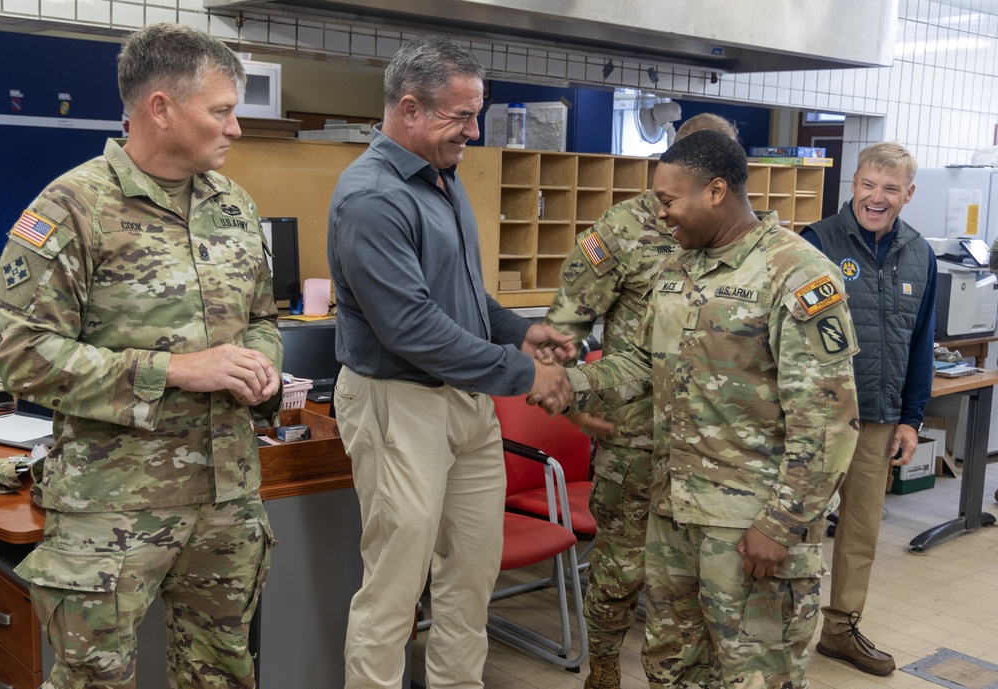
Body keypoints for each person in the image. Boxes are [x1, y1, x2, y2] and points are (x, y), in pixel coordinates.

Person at [0, 23, 283, 688]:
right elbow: (15, 353)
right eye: (222, 111)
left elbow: (264, 317)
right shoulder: (72, 207)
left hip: (226, 499)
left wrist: (261, 360)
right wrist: (173, 370)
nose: (236, 128)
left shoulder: (235, 207)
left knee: (222, 674)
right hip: (112, 508)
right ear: (162, 108)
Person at [541, 129, 860, 688]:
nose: (660, 215)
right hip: (673, 514)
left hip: (748, 526)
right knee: (672, 670)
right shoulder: (678, 270)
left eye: (668, 201)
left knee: (756, 675)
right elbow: (639, 366)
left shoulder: (796, 273)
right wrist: (564, 383)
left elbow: (828, 421)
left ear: (716, 191)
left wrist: (781, 525)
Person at [327, 35, 575, 689]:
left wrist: (521, 332)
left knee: (471, 578)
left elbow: (459, 296)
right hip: (398, 403)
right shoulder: (372, 198)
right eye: (461, 116)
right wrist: (526, 376)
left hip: (466, 401)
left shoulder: (442, 177)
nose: (474, 129)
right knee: (394, 590)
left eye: (476, 112)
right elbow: (411, 326)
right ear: (409, 109)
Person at [544, 113, 739, 689]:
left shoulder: (746, 244)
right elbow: (566, 324)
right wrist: (571, 404)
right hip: (634, 433)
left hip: (713, 441)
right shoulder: (624, 228)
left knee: (706, 572)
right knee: (622, 563)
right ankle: (602, 664)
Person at [800, 142, 936, 676]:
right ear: (852, 184)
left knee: (860, 532)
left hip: (879, 418)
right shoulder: (816, 244)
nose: (876, 198)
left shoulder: (920, 253)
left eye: (890, 188)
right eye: (868, 185)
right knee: (799, 527)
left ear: (908, 193)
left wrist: (912, 416)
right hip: (817, 418)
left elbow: (921, 340)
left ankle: (839, 631)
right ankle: (783, 629)